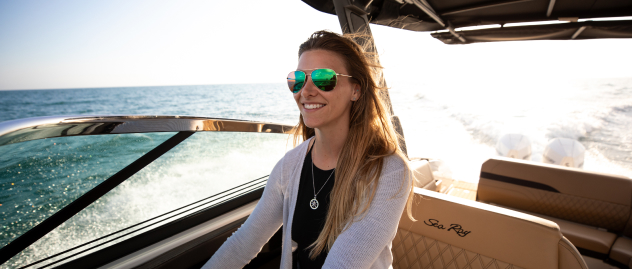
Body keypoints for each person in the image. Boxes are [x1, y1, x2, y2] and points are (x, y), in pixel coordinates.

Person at [202, 30, 413, 269]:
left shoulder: (388, 171)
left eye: (324, 78)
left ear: (356, 90)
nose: (306, 91)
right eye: (298, 80)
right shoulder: (289, 166)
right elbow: (243, 243)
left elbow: (342, 264)